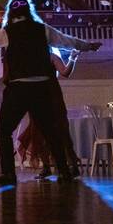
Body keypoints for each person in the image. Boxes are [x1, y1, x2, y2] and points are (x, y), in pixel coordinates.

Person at [0, 0, 101, 185]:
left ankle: (9, 174)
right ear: (29, 11)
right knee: (51, 131)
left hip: (18, 88)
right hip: (42, 87)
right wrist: (88, 46)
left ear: (10, 13)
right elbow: (67, 41)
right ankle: (64, 171)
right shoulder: (42, 29)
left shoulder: (5, 32)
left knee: (4, 130)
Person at [16, 49, 82, 179]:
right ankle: (46, 167)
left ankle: (72, 166)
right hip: (36, 98)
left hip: (52, 98)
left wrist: (72, 58)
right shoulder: (29, 60)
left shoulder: (51, 56)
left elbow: (65, 72)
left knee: (61, 132)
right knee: (37, 133)